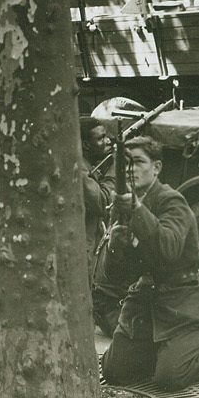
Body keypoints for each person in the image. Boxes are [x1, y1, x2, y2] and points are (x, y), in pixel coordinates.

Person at [100, 136, 199, 392]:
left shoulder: (171, 201)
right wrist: (114, 246)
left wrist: (137, 210)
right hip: (144, 301)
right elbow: (112, 277)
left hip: (181, 298)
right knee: (114, 372)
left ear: (157, 167)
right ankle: (163, 347)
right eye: (126, 163)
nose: (131, 169)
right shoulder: (123, 205)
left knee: (170, 378)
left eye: (139, 161)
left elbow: (169, 249)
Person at [81, 116, 121, 336]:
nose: (108, 141)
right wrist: (115, 167)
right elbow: (102, 201)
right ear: (85, 144)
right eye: (100, 138)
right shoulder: (78, 167)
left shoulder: (85, 164)